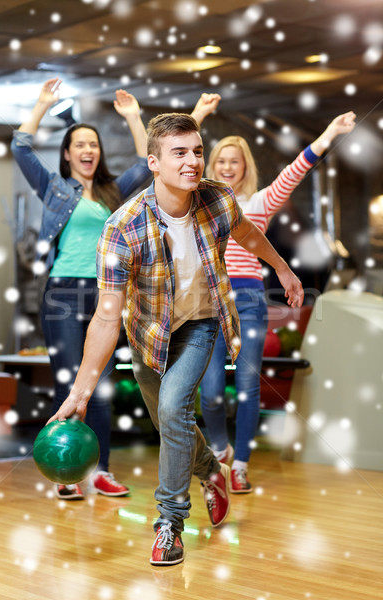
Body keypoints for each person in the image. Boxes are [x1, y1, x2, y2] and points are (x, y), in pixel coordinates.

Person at [49, 111, 303, 565]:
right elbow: (106, 319)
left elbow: (247, 233)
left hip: (202, 323)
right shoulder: (122, 228)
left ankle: (169, 523)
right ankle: (211, 471)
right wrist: (81, 391)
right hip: (148, 334)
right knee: (171, 422)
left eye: (197, 151)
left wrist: (282, 269)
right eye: (179, 153)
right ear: (153, 162)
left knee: (172, 409)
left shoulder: (216, 199)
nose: (192, 162)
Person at [192, 94, 356, 493]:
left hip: (248, 299)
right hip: (209, 301)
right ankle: (221, 449)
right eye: (221, 161)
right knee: (210, 392)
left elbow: (296, 170)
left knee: (247, 388)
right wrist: (196, 117)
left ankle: (242, 465)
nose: (228, 167)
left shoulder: (259, 202)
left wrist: (330, 133)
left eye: (235, 160)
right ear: (211, 167)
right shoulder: (200, 204)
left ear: (245, 167)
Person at [11, 77, 151, 501]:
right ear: (68, 154)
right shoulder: (53, 188)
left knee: (102, 385)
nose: (88, 150)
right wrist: (41, 105)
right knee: (69, 383)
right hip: (61, 293)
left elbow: (147, 164)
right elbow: (20, 148)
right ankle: (66, 472)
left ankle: (100, 470)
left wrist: (133, 117)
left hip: (106, 295)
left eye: (93, 144)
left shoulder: (112, 192)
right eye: (80, 145)